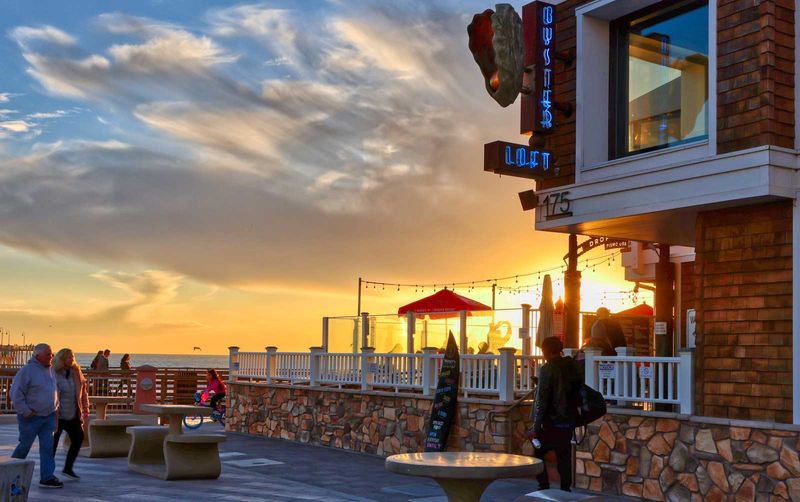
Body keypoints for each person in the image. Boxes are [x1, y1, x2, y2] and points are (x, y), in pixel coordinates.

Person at [528, 336, 580, 492]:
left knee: (538, 452)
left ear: (545, 351)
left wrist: (535, 427)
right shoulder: (573, 366)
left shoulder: (547, 369)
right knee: (564, 456)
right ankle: (565, 489)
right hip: (569, 418)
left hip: (552, 421)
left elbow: (542, 401)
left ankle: (543, 485)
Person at [10, 343, 62, 488]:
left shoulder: (50, 369)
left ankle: (47, 477)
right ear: (38, 356)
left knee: (47, 447)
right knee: (25, 446)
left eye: (52, 354)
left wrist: (56, 410)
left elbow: (54, 390)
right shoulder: (27, 370)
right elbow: (15, 393)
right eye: (48, 354)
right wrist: (26, 411)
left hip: (48, 416)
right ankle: (9, 470)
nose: (52, 356)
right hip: (31, 417)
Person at [52, 348, 89, 480]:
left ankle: (68, 468)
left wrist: (85, 407)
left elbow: (83, 392)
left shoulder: (76, 372)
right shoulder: (53, 372)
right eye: (68, 357)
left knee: (78, 438)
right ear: (62, 359)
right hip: (57, 415)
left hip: (73, 414)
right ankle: (48, 473)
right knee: (52, 445)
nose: (71, 359)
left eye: (72, 357)